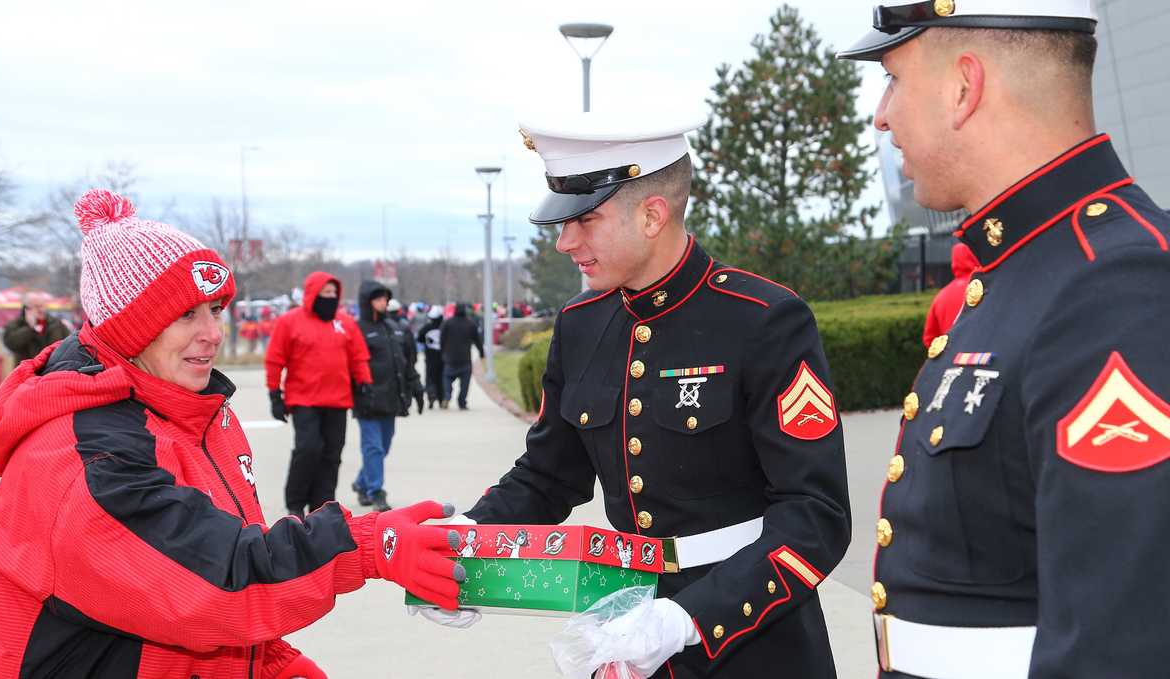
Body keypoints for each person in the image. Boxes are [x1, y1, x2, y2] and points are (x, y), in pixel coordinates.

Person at [0, 189, 464, 678]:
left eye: (216, 309)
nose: (213, 333)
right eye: (186, 314)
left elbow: (214, 586)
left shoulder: (200, 414)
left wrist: (273, 665)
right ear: (127, 329)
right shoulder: (83, 459)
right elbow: (217, 581)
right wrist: (368, 544)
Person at [423, 115, 852, 678]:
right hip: (625, 630)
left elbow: (815, 515)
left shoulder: (763, 320)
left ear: (653, 215)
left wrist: (685, 619)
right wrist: (467, 543)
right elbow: (551, 474)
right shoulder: (580, 325)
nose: (563, 242)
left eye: (585, 221)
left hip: (754, 640)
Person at [839, 2, 1170, 676]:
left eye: (894, 78)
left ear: (965, 88)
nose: (881, 114)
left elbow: (1120, 647)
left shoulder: (1115, 285)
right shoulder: (1024, 272)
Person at [264, 271, 372, 519]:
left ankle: (322, 505)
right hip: (304, 400)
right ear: (312, 294)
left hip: (338, 400)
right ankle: (295, 502)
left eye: (334, 293)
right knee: (308, 449)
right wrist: (274, 394)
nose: (330, 297)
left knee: (332, 453)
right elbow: (275, 360)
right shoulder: (289, 322)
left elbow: (358, 356)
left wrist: (364, 384)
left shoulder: (345, 323)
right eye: (325, 293)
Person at [352, 280, 423, 511]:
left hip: (392, 399)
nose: (383, 302)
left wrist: (417, 387)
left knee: (383, 446)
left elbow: (405, 362)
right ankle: (376, 491)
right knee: (373, 448)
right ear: (367, 301)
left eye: (385, 298)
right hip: (367, 399)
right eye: (378, 298)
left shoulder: (393, 327)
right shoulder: (357, 329)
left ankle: (361, 483)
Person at [922, 242, 979, 347]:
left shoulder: (941, 295)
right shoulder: (985, 286)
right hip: (981, 357)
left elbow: (929, 338)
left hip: (950, 360)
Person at [438, 302, 483, 410]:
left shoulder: (447, 323)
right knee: (465, 383)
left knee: (447, 379)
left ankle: (447, 396)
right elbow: (477, 340)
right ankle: (462, 402)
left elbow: (442, 339)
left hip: (450, 358)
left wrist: (443, 352)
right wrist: (481, 352)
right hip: (465, 359)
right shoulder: (470, 324)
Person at [1, 294, 69, 363]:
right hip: (25, 370)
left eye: (42, 306)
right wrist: (30, 328)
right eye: (37, 307)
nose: (41, 310)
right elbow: (11, 343)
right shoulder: (16, 324)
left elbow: (68, 345)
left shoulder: (56, 324)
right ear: (27, 309)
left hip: (51, 370)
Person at [419, 306, 445, 410]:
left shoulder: (426, 328)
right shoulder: (444, 327)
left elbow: (420, 338)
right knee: (441, 379)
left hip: (430, 357)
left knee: (430, 378)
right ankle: (441, 398)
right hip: (443, 358)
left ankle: (431, 395)